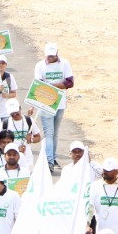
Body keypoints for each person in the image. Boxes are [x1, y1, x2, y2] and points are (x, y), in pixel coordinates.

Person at [33, 42, 74, 171]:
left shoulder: (64, 64)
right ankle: (49, 161)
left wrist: (51, 85)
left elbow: (70, 82)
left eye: (53, 56)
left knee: (55, 133)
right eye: (48, 56)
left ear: (57, 53)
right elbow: (39, 85)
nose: (51, 58)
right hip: (46, 104)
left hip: (60, 103)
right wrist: (59, 85)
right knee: (49, 133)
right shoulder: (39, 66)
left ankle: (52, 157)